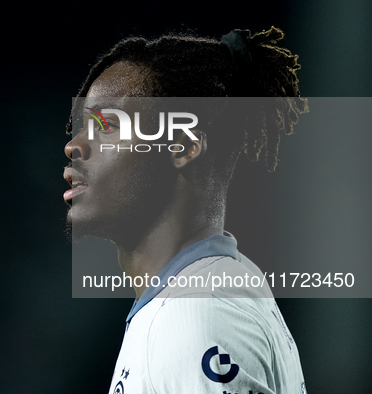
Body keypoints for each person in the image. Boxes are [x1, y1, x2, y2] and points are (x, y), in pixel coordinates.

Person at [63, 27, 308, 393]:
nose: (74, 146)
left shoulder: (197, 315)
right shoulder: (209, 290)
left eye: (107, 125)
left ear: (181, 146)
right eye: (82, 126)